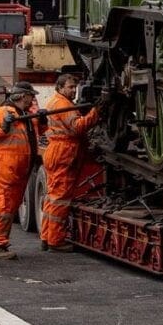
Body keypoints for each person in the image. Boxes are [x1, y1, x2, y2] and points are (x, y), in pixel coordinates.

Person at [39, 74, 103, 252]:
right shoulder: (63, 105)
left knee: (52, 198)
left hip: (56, 151)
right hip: (64, 152)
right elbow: (78, 127)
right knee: (60, 199)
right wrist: (96, 112)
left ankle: (46, 237)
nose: (73, 91)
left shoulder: (55, 102)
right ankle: (55, 241)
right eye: (70, 87)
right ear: (60, 88)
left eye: (75, 87)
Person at [0, 81, 38, 260]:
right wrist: (2, 126)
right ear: (22, 96)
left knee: (7, 209)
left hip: (17, 172)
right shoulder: (1, 113)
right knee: (3, 209)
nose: (33, 99)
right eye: (31, 96)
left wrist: (41, 119)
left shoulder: (25, 115)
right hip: (4, 171)